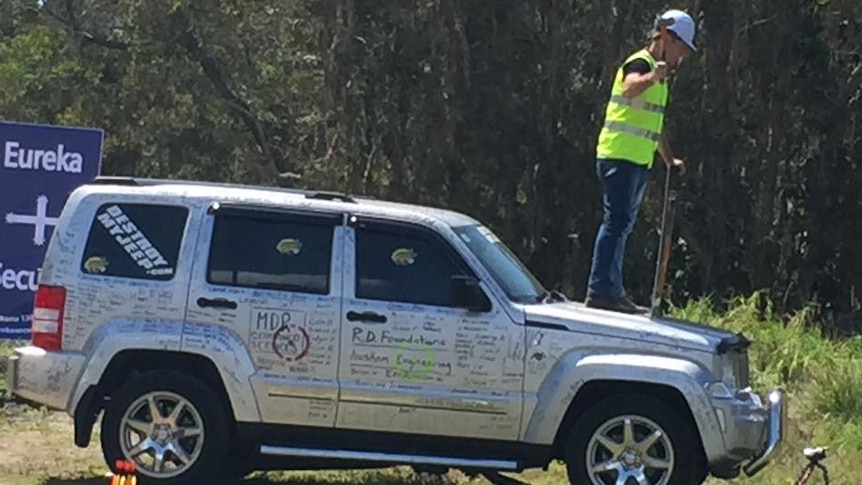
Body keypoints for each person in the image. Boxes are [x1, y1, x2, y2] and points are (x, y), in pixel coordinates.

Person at [585, 9, 697, 314]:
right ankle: (600, 290)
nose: (682, 56)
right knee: (616, 222)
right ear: (666, 37)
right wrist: (653, 76)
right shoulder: (641, 64)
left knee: (623, 225)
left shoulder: (660, 81)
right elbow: (629, 87)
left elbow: (654, 125)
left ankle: (613, 290)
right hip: (617, 155)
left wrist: (669, 159)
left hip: (636, 160)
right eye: (682, 47)